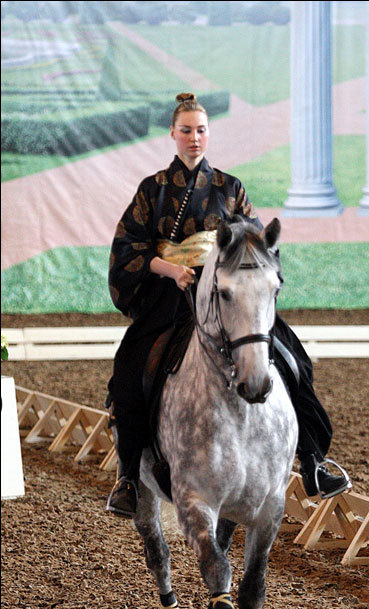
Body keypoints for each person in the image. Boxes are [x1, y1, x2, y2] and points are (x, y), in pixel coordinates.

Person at [106, 92, 351, 517]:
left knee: (295, 361)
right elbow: (129, 248)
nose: (194, 138)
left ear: (208, 134)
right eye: (186, 130)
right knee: (130, 366)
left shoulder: (229, 188)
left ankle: (313, 461)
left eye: (201, 130)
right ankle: (129, 476)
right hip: (171, 295)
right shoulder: (153, 189)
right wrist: (170, 269)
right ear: (173, 134)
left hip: (228, 298)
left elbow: (257, 246)